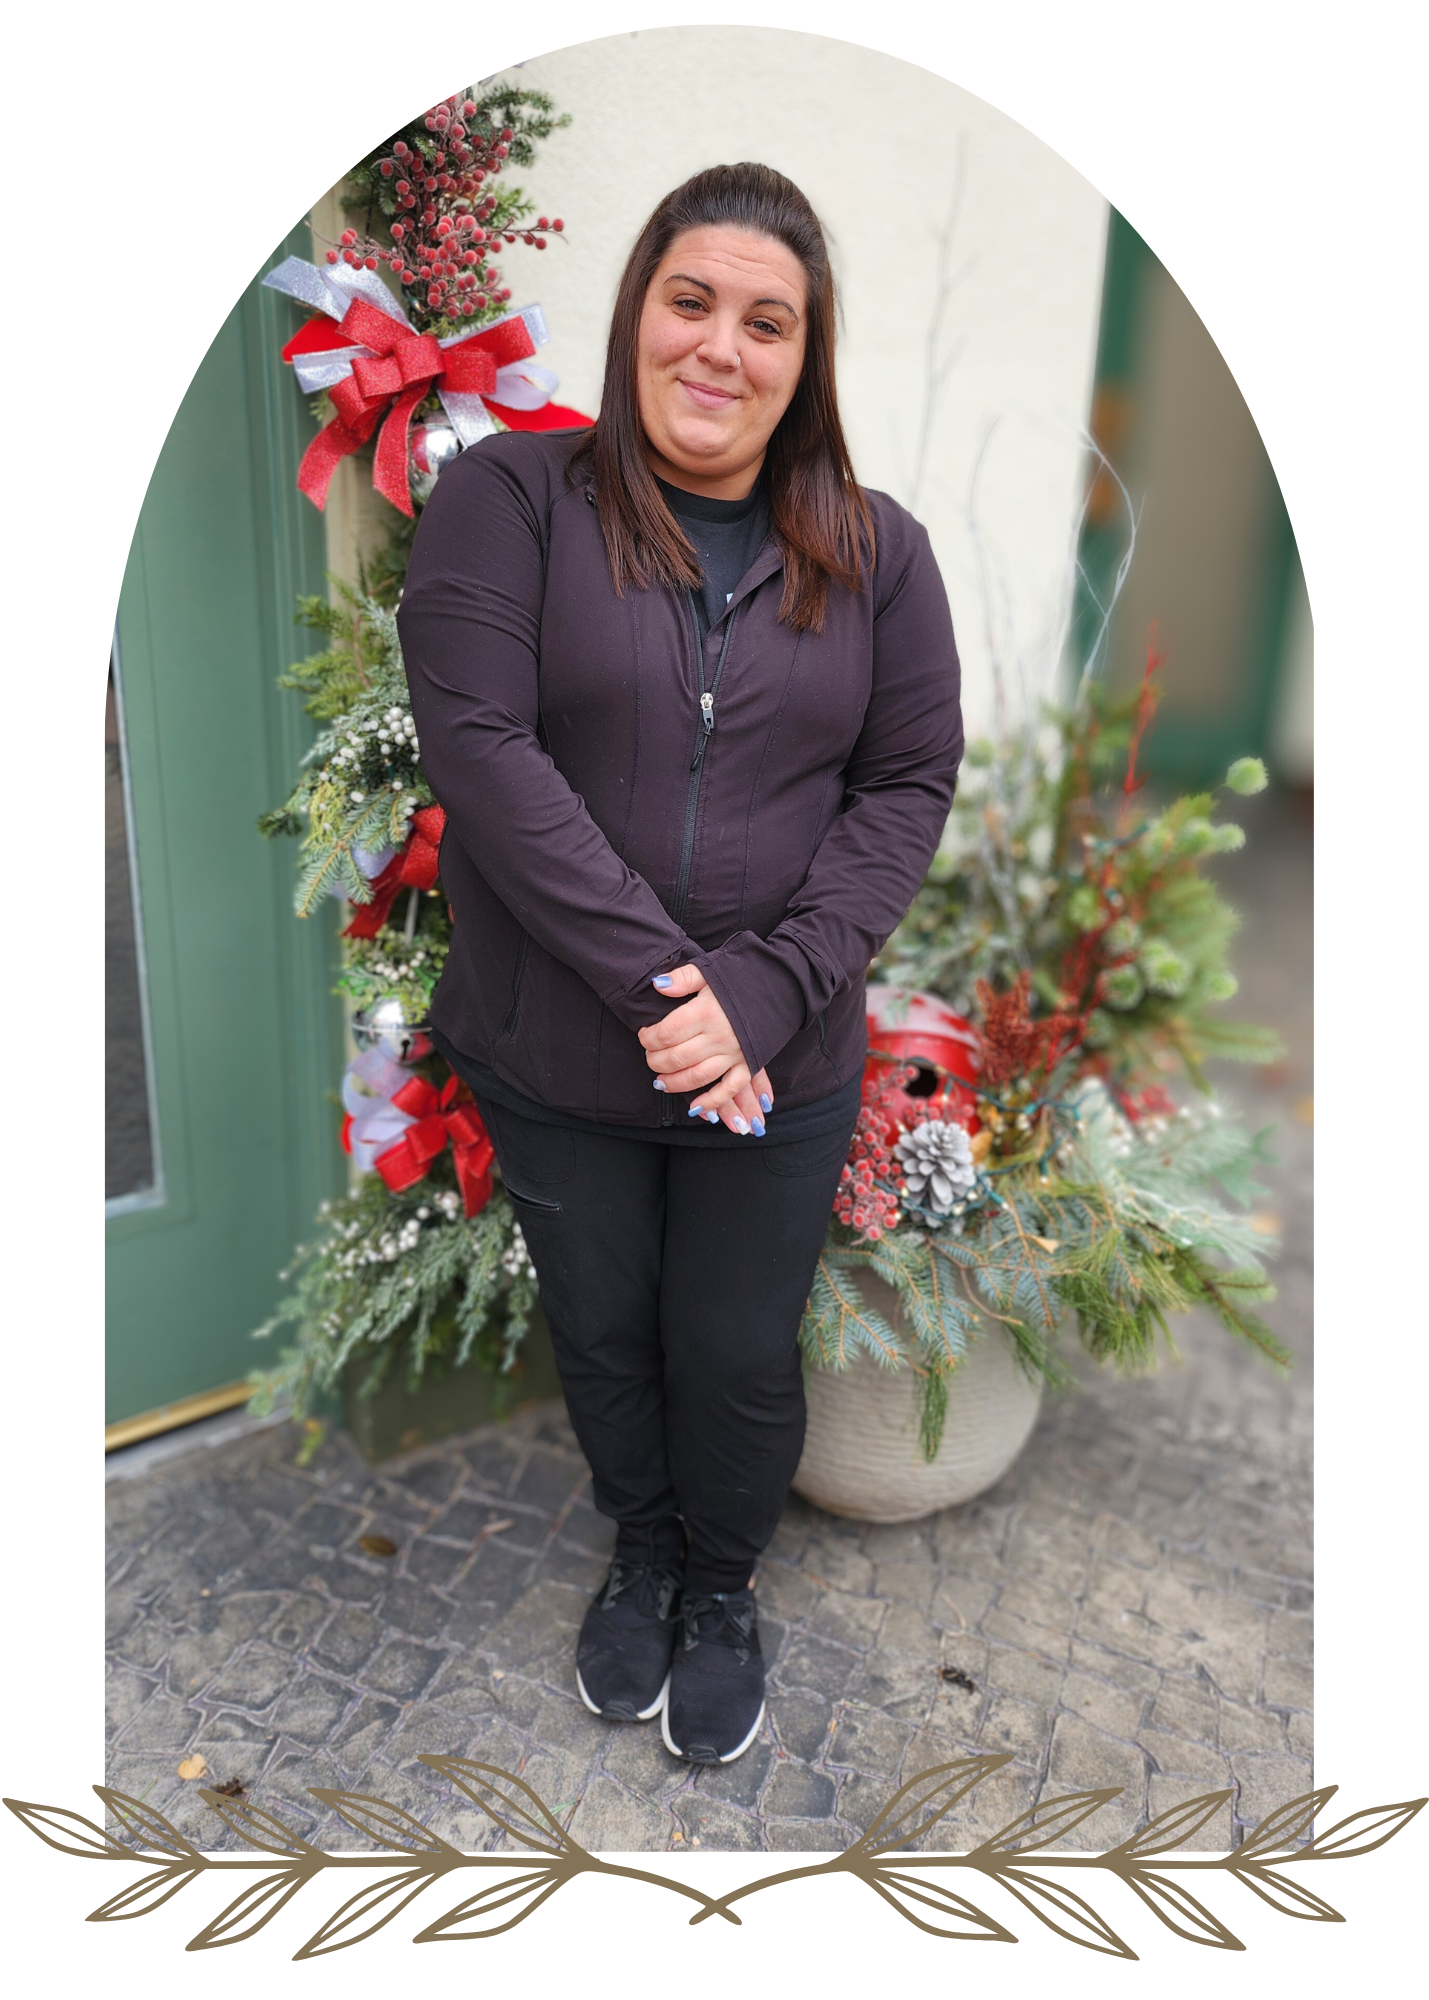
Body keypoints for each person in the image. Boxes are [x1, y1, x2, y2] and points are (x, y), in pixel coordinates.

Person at [397, 162, 963, 1766]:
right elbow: (482, 749)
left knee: (733, 1346)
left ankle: (720, 1587)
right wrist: (675, 994)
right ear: (637, 312)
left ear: (807, 356)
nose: (722, 346)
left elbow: (905, 786)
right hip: (558, 1047)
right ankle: (641, 1554)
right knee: (603, 1328)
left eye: (767, 321)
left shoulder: (880, 554)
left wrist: (762, 1000)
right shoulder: (512, 501)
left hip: (779, 1063)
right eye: (691, 301)